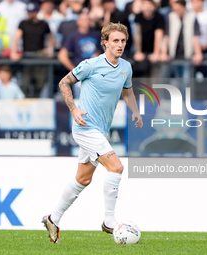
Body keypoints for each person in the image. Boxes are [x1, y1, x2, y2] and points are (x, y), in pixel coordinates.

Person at [42, 22, 143, 244]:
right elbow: (64, 82)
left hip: (100, 131)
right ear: (105, 42)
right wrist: (74, 109)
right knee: (116, 167)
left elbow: (128, 92)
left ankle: (53, 218)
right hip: (85, 128)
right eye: (115, 41)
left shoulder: (126, 67)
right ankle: (109, 221)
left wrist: (135, 112)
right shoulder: (91, 65)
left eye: (123, 41)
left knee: (83, 178)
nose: (120, 45)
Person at [10, 1, 54, 97]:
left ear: (37, 12)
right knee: (25, 83)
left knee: (40, 83)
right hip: (27, 57)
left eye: (32, 12)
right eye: (28, 12)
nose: (29, 14)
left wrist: (50, 50)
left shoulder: (43, 24)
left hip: (40, 57)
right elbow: (16, 38)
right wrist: (13, 52)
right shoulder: (23, 23)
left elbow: (51, 38)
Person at [133, 0, 164, 77]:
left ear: (154, 6)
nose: (147, 7)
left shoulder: (159, 17)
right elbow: (137, 35)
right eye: (145, 4)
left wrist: (156, 53)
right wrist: (138, 51)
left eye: (150, 4)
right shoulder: (138, 17)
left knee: (155, 76)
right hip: (142, 51)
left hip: (155, 51)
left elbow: (159, 35)